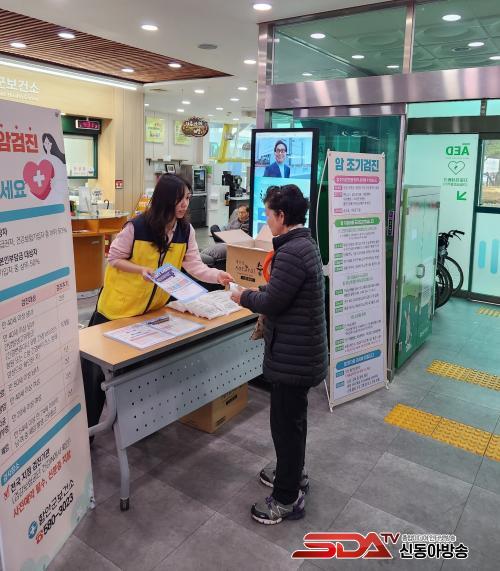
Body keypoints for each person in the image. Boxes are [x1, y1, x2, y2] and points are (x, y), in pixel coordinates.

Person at [82, 174, 233, 428]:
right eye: (180, 199)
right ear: (165, 199)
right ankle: (89, 433)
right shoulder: (137, 227)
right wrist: (139, 269)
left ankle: (134, 428)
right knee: (96, 377)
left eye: (187, 198)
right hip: (116, 310)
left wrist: (217, 276)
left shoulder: (185, 230)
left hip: (151, 313)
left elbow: (194, 266)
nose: (185, 204)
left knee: (136, 376)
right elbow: (114, 258)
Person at [230, 184, 327, 525]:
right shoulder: (304, 244)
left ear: (282, 216)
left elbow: (273, 302)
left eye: (269, 215)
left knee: (285, 426)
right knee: (293, 422)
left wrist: (242, 296)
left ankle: (286, 499)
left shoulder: (291, 252)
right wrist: (260, 291)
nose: (267, 221)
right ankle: (293, 475)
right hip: (301, 353)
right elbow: (284, 291)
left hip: (293, 358)